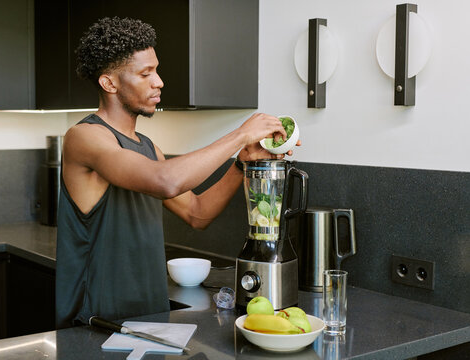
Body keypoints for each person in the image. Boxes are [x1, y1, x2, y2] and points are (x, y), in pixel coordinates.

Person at [55, 16, 299, 329]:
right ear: (109, 83)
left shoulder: (147, 146)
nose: (159, 82)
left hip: (150, 319)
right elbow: (165, 181)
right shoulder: (84, 137)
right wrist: (240, 134)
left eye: (156, 70)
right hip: (98, 322)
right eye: (146, 73)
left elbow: (198, 214)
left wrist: (243, 162)